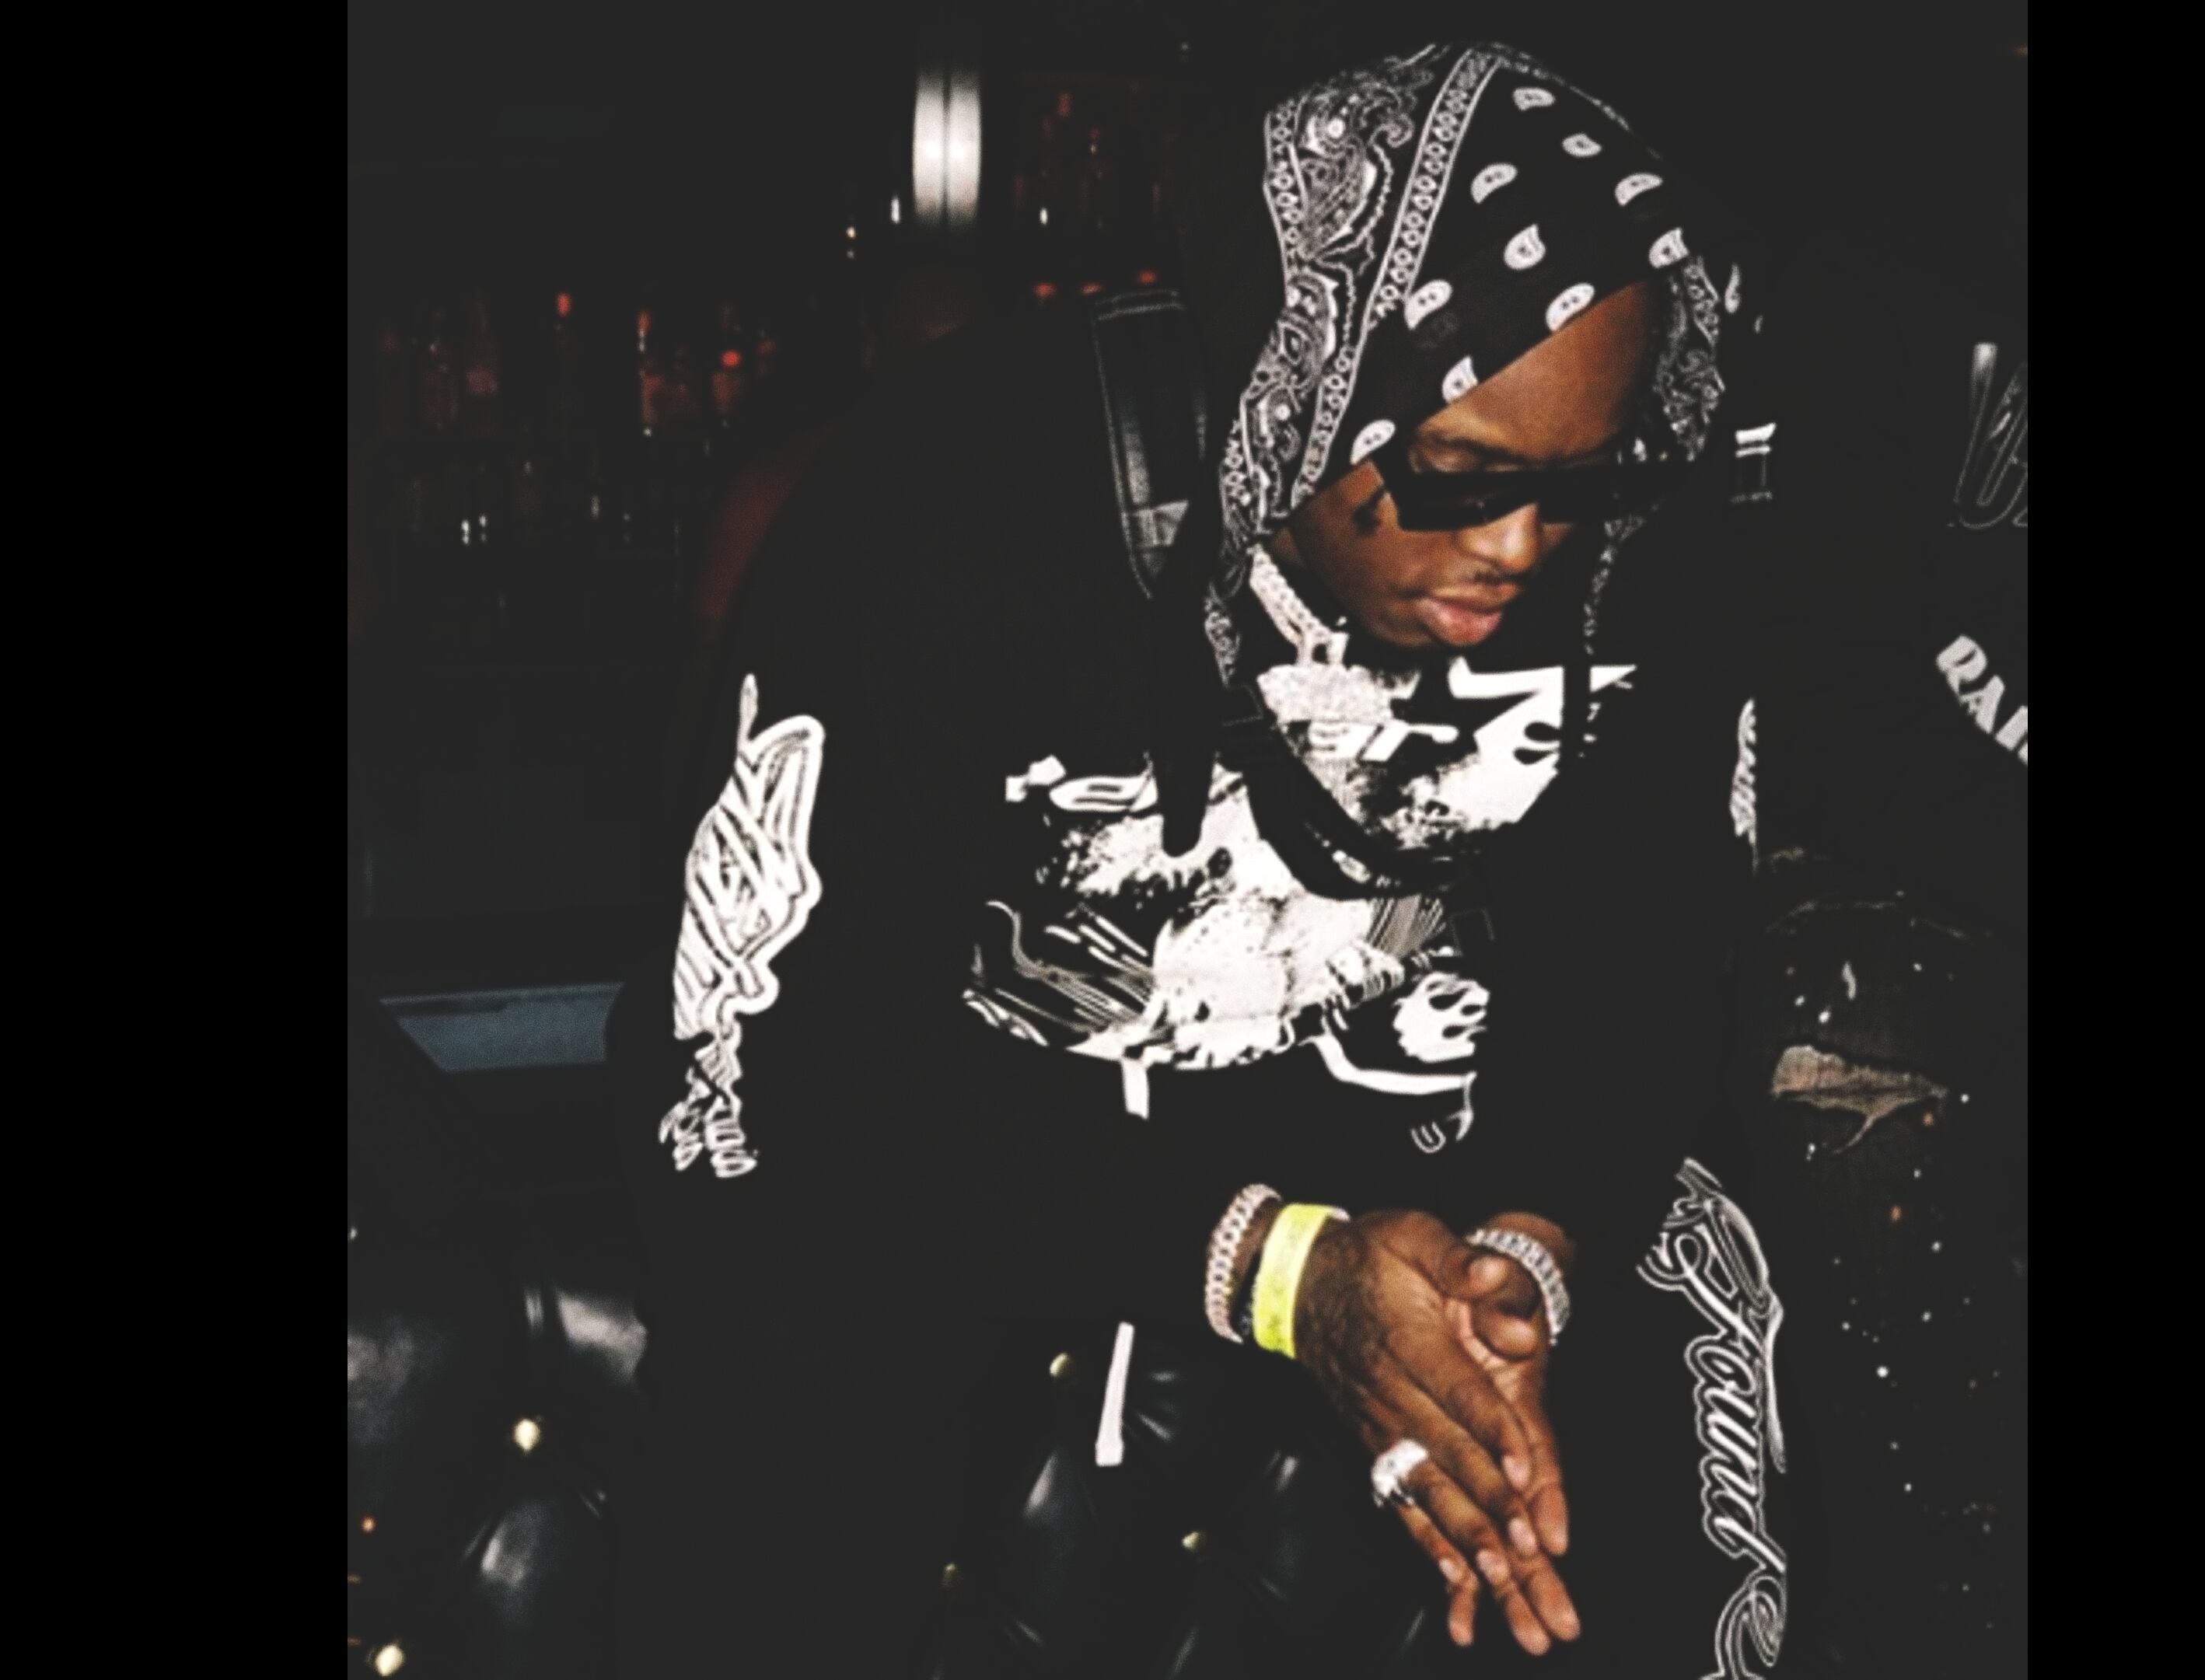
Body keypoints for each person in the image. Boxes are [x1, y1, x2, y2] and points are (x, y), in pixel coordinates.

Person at [606, 42, 1817, 1675]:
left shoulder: (1629, 559)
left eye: (1575, 486)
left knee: (1693, 1332)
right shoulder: (949, 510)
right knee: (789, 1368)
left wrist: (1528, 1249)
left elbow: (1641, 950)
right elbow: (797, 1054)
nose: (1519, 550)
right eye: (1458, 479)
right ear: (1305, 379)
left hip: (1406, 1152)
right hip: (975, 1155)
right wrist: (1281, 1269)